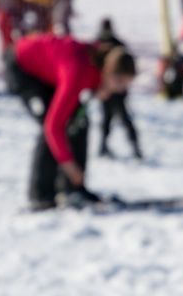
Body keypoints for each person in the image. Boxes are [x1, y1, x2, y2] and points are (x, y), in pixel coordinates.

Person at [7, 32, 136, 209]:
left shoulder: (98, 68)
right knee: (51, 126)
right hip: (22, 66)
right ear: (108, 72)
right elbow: (53, 126)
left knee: (79, 122)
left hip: (51, 70)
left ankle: (73, 190)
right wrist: (68, 164)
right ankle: (40, 195)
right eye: (119, 83)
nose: (121, 90)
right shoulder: (77, 73)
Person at [91, 19, 144, 161]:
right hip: (106, 88)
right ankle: (103, 147)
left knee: (123, 119)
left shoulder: (115, 43)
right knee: (107, 120)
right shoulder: (99, 44)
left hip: (117, 91)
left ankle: (135, 148)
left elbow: (128, 66)